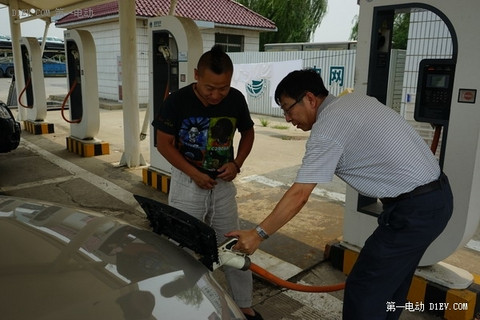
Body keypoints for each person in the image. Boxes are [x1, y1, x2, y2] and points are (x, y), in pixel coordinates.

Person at [227, 69, 453, 320]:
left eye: (288, 109)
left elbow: (300, 193)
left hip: (414, 211)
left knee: (364, 289)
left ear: (310, 99)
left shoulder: (328, 128)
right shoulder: (355, 100)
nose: (288, 118)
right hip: (436, 198)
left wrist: (258, 234)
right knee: (391, 286)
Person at [153, 45, 261, 320]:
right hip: (188, 184)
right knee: (183, 246)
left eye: (222, 88)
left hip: (223, 186)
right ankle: (184, 305)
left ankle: (244, 305)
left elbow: (248, 132)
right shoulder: (176, 102)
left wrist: (236, 163)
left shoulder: (235, 99)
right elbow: (163, 144)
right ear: (196, 76)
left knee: (233, 248)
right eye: (210, 88)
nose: (216, 95)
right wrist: (193, 173)